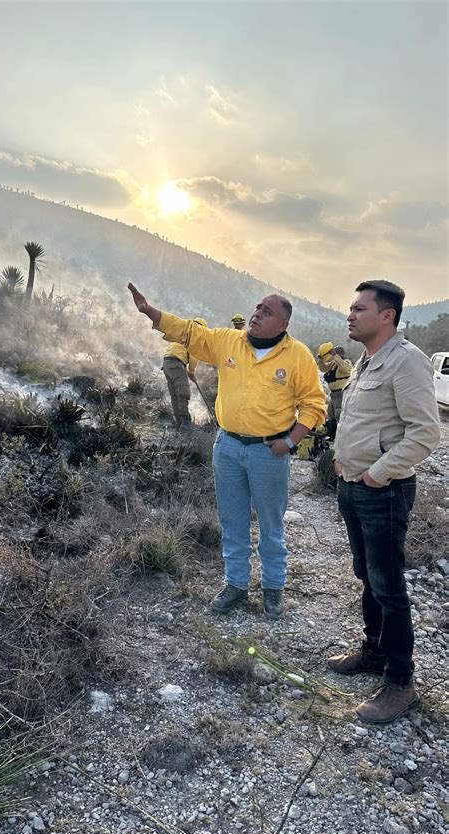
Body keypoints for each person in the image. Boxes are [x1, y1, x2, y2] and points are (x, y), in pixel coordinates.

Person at [128, 282, 326, 618]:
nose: (258, 314)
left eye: (268, 312)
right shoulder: (229, 342)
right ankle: (236, 584)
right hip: (229, 447)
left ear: (283, 324)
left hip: (269, 452)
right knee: (232, 520)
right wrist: (152, 312)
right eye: (258, 307)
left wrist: (291, 441)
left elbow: (313, 404)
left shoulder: (298, 357)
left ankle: (273, 589)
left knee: (270, 523)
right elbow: (190, 333)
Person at [330, 280, 440, 724]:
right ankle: (373, 652)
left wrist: (377, 472)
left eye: (359, 308)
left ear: (387, 315)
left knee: (389, 587)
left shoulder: (407, 361)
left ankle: (400, 684)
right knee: (367, 576)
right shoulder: (367, 360)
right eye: (350, 308)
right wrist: (342, 463)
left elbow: (425, 433)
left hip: (383, 491)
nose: (350, 315)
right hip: (353, 487)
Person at [161, 318, 207, 430]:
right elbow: (193, 357)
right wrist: (191, 372)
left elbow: (174, 351)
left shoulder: (182, 334)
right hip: (177, 364)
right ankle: (185, 422)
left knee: (174, 394)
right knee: (183, 392)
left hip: (167, 364)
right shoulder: (193, 337)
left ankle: (178, 421)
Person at [317, 342, 352, 422]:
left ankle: (338, 431)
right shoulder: (333, 364)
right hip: (333, 395)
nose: (334, 355)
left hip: (341, 394)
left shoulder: (346, 362)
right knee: (330, 415)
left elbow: (346, 369)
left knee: (339, 415)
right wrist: (321, 360)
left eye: (337, 353)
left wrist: (336, 357)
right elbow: (323, 369)